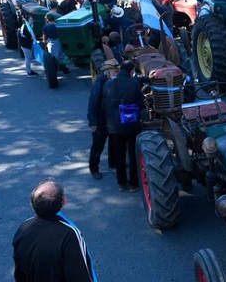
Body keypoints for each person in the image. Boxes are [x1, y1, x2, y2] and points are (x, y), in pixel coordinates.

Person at [13, 179, 98, 282]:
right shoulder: (69, 234)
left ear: (32, 204)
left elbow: (19, 272)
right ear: (63, 201)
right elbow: (80, 275)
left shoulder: (23, 229)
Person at [102, 60, 145, 191]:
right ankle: (134, 184)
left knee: (119, 155)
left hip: (114, 127)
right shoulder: (134, 84)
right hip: (131, 125)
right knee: (133, 155)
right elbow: (141, 105)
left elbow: (104, 105)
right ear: (132, 71)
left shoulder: (108, 84)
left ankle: (121, 183)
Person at [88, 58, 120, 179]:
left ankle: (113, 164)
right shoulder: (99, 85)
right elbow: (92, 104)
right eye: (116, 71)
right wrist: (93, 122)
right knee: (97, 146)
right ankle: (94, 169)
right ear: (109, 72)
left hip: (111, 120)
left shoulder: (112, 82)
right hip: (100, 121)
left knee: (113, 143)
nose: (118, 73)